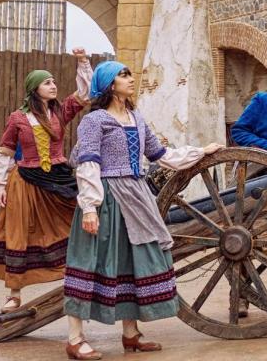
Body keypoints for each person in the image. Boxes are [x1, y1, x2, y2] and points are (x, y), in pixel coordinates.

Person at [63, 61, 223, 360]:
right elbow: (87, 164)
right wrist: (89, 208)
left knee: (132, 263)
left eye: (129, 73)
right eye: (124, 75)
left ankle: (131, 334)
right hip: (107, 198)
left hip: (137, 197)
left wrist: (200, 151)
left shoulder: (136, 117)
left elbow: (161, 155)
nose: (131, 79)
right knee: (90, 263)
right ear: (110, 84)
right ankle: (74, 339)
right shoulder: (95, 121)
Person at [0, 49, 93, 313]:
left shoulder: (59, 113)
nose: (53, 85)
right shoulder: (18, 118)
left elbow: (85, 93)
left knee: (80, 218)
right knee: (20, 232)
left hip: (57, 178)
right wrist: (0, 185)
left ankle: (80, 274)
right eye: (47, 82)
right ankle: (14, 294)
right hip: (25, 180)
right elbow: (6, 151)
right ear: (34, 89)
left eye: (54, 81)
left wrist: (82, 62)